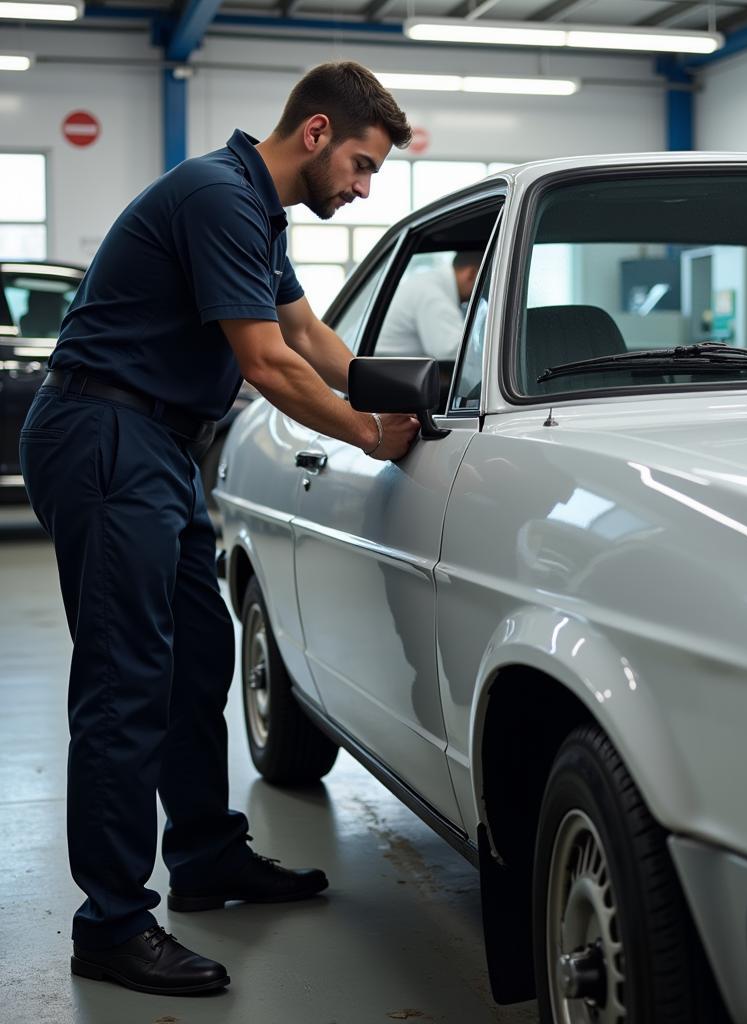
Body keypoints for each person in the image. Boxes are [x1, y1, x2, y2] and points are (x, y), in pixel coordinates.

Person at [18, 61, 420, 996]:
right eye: (361, 165)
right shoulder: (217, 195)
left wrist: (413, 396)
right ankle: (111, 925)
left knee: (201, 653)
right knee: (127, 681)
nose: (363, 187)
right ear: (316, 133)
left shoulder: (255, 207)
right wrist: (370, 436)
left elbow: (313, 339)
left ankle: (204, 856)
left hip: (156, 442)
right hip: (107, 434)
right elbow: (270, 365)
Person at [375, 250, 482, 358]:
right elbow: (452, 351)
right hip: (389, 370)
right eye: (485, 282)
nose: (485, 292)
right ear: (471, 274)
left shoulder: (431, 283)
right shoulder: (432, 294)